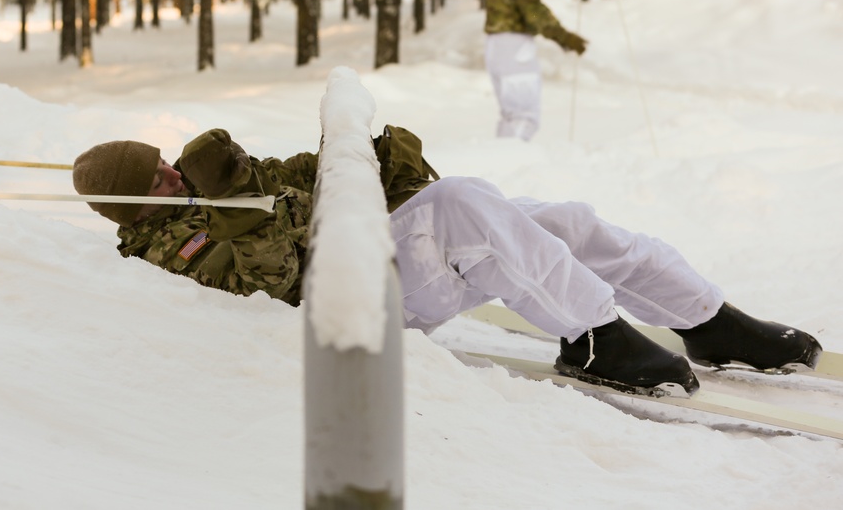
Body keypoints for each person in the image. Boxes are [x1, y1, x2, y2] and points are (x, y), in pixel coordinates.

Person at [73, 126, 822, 397]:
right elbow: (269, 280)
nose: (174, 175)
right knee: (465, 207)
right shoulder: (168, 249)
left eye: (169, 164)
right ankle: (592, 337)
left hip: (362, 251)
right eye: (158, 180)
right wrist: (233, 194)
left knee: (563, 220)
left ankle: (708, 319)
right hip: (351, 300)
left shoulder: (190, 197)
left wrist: (366, 153)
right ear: (130, 207)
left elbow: (291, 177)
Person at [484, 0, 588, 140]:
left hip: (497, 45)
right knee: (524, 115)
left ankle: (502, 157)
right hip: (514, 47)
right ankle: (511, 161)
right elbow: (533, 12)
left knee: (511, 114)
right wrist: (563, 37)